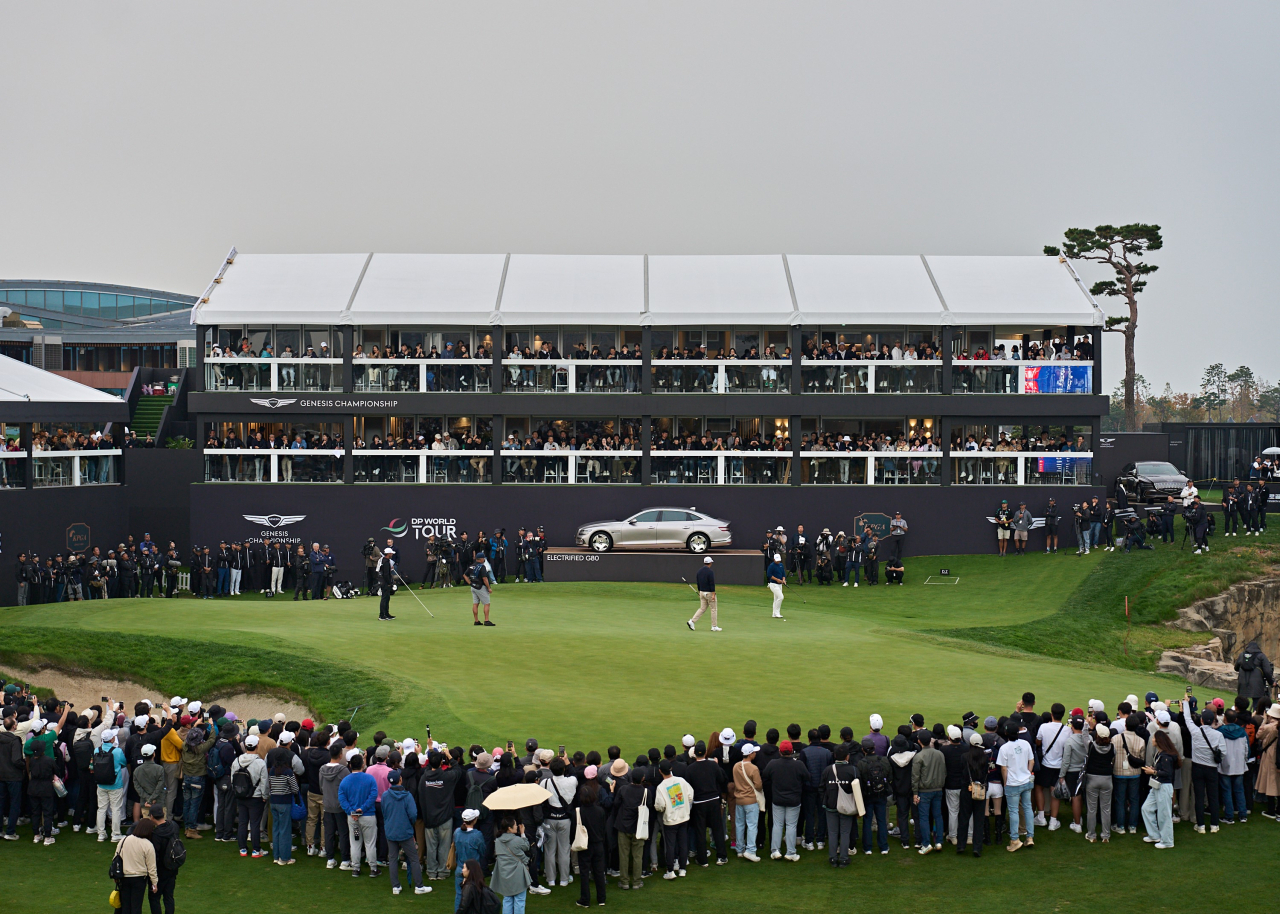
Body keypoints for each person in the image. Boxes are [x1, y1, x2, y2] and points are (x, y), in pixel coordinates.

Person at [381, 769, 429, 894]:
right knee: (413, 858)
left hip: (391, 830)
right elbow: (413, 814)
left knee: (392, 859)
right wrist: (408, 824)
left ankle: (395, 886)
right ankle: (419, 886)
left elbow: (384, 812)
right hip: (405, 831)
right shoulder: (407, 796)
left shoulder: (386, 795)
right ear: (400, 779)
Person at [763, 740, 805, 860]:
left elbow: (765, 775)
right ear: (791, 751)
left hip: (778, 798)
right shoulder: (799, 764)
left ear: (780, 752)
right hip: (793, 799)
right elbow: (807, 776)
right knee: (791, 825)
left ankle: (775, 850)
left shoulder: (773, 763)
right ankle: (790, 852)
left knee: (778, 824)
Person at [339, 752, 379, 877]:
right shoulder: (369, 778)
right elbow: (373, 795)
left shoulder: (345, 781)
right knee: (370, 843)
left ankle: (356, 868)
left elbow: (342, 798)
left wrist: (351, 811)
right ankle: (373, 868)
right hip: (367, 817)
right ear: (362, 764)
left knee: (355, 843)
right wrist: (362, 809)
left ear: (350, 765)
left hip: (353, 818)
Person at [996, 722, 1034, 851]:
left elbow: (1003, 768)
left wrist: (1005, 782)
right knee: (1027, 808)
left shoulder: (1004, 748)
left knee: (1013, 811)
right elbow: (1032, 761)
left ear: (1006, 733)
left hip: (1013, 783)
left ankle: (1015, 839)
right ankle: (1029, 837)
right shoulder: (1025, 744)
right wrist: (1028, 774)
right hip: (1026, 781)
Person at [1139, 728, 1179, 848]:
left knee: (1164, 815)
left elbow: (1168, 773)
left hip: (1163, 786)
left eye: (1154, 738)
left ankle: (1167, 841)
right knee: (1146, 809)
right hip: (1157, 785)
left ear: (1158, 741)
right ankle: (1154, 835)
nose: (1152, 740)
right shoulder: (1160, 753)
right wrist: (1154, 769)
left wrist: (1153, 772)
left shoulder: (1166, 756)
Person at [654, 757, 692, 878]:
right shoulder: (681, 781)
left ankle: (670, 871)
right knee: (683, 842)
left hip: (670, 820)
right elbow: (690, 795)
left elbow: (660, 806)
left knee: (670, 845)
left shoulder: (661, 787)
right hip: (683, 816)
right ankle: (682, 869)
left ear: (660, 771)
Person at [820, 745, 857, 867]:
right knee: (845, 832)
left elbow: (821, 788)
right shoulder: (853, 770)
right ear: (847, 756)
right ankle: (844, 858)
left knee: (832, 832)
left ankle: (833, 858)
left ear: (835, 756)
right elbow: (858, 790)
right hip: (847, 806)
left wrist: (826, 800)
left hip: (831, 805)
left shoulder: (828, 770)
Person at [114, 817, 159, 914]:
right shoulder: (148, 845)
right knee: (136, 907)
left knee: (125, 906)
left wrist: (115, 875)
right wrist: (154, 883)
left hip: (124, 877)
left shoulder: (124, 840)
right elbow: (151, 867)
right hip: (139, 879)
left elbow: (116, 858)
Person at [576, 773, 608, 906]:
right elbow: (603, 827)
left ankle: (585, 899)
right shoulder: (600, 811)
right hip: (598, 844)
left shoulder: (579, 812)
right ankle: (601, 898)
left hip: (585, 845)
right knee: (599, 872)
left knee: (584, 873)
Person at [911, 732, 945, 854]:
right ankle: (939, 841)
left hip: (924, 791)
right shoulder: (939, 754)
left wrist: (915, 793)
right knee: (938, 815)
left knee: (924, 818)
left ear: (919, 741)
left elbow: (915, 777)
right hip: (938, 789)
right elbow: (944, 771)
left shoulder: (918, 757)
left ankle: (926, 844)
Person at [492, 815, 532, 914]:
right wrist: (522, 833)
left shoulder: (497, 841)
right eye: (515, 825)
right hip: (518, 873)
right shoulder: (517, 840)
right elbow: (527, 846)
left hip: (504, 873)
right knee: (519, 900)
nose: (517, 826)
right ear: (509, 828)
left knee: (507, 899)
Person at [730, 743, 762, 862]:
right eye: (754, 752)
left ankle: (740, 849)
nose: (755, 754)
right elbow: (758, 786)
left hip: (739, 800)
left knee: (739, 824)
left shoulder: (736, 766)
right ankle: (751, 850)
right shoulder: (753, 768)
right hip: (751, 800)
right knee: (752, 825)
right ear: (750, 754)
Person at [453, 809, 487, 908]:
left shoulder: (457, 832)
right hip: (473, 871)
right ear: (474, 820)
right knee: (475, 896)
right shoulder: (477, 835)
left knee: (459, 895)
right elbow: (483, 851)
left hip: (460, 868)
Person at [1235, 641, 1274, 711]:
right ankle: (1255, 719)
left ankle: (1239, 719)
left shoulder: (1242, 655)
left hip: (1243, 684)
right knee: (1257, 706)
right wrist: (1271, 682)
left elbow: (1236, 668)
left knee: (1241, 705)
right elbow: (1268, 671)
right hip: (1257, 685)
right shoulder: (1261, 656)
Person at [688, 556, 719, 631]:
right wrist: (713, 594)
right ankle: (714, 626)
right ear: (710, 563)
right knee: (713, 609)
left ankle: (692, 621)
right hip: (709, 593)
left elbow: (698, 582)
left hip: (702, 592)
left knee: (702, 608)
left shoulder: (699, 571)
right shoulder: (710, 572)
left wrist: (699, 591)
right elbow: (712, 583)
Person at [464, 551, 494, 626]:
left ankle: (476, 621)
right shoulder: (482, 567)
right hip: (481, 587)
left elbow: (464, 575)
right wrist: (489, 588)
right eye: (483, 558)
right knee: (487, 603)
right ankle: (486, 620)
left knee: (475, 603)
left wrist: (470, 583)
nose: (484, 560)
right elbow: (485, 578)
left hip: (473, 587)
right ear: (481, 559)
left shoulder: (471, 566)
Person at [375, 548, 397, 621]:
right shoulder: (386, 562)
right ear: (388, 554)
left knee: (387, 598)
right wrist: (389, 583)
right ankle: (382, 615)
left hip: (383, 581)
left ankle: (386, 614)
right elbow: (386, 574)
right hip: (385, 582)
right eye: (391, 553)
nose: (392, 554)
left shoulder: (383, 560)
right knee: (384, 598)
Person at [766, 553, 786, 619]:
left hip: (780, 585)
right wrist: (777, 579)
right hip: (773, 584)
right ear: (774, 559)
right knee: (781, 597)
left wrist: (783, 580)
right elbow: (769, 575)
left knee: (776, 599)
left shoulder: (781, 565)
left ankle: (774, 613)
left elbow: (783, 574)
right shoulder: (771, 566)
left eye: (779, 560)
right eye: (777, 560)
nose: (778, 561)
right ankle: (777, 613)